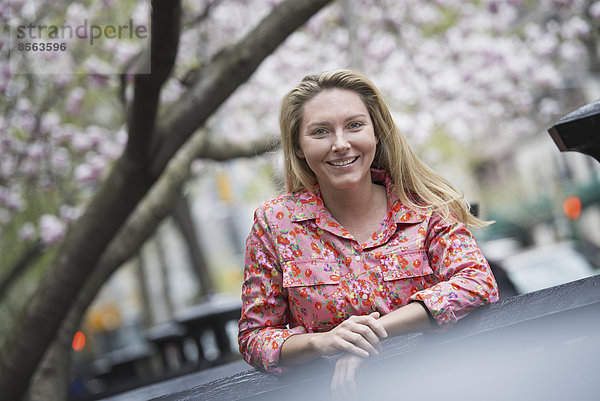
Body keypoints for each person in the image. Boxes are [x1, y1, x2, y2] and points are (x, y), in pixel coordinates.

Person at [237, 69, 499, 395]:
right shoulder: (274, 225)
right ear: (299, 147)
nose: (340, 144)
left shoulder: (426, 206)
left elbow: (477, 283)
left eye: (354, 125)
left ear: (377, 133)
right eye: (320, 132)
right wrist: (324, 342)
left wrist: (371, 334)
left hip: (446, 387)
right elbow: (255, 337)